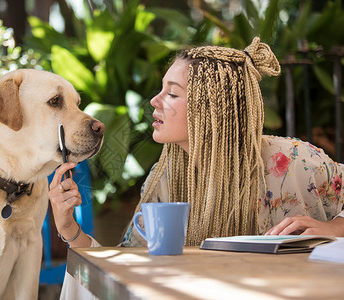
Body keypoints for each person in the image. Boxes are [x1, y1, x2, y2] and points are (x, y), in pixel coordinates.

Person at [49, 37, 344, 298]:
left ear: (213, 108)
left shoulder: (294, 160)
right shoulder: (164, 177)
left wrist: (334, 227)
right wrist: (69, 228)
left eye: (172, 93)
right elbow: (126, 266)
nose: (155, 100)